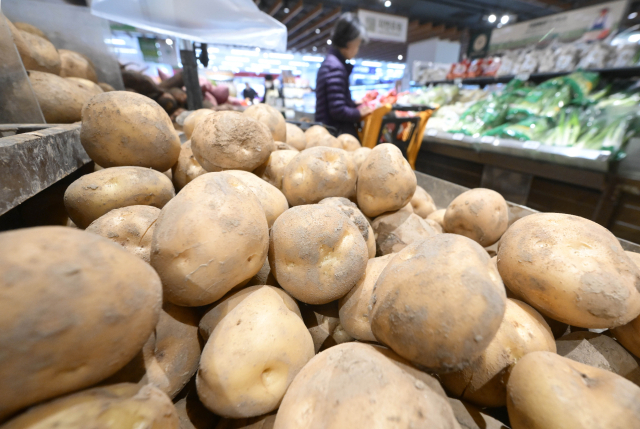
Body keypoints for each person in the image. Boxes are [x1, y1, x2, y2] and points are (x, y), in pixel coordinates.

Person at [315, 13, 372, 138]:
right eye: (357, 45)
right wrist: (359, 112)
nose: (357, 50)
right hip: (334, 134)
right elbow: (337, 110)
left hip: (327, 131)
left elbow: (334, 101)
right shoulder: (335, 67)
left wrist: (353, 103)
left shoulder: (331, 63)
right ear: (348, 42)